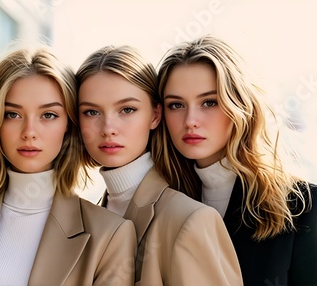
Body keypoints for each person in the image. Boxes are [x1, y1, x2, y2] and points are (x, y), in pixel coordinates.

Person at [0, 47, 136, 286]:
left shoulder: (110, 234)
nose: (29, 133)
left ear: (68, 124)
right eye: (12, 114)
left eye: (49, 115)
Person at [156, 34, 317, 285]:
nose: (190, 120)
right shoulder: (160, 206)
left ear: (240, 104)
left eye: (209, 102)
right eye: (176, 105)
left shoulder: (304, 206)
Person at [76, 45, 242, 285]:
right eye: (91, 112)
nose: (108, 128)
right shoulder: (86, 217)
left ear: (155, 115)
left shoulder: (190, 220)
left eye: (127, 109)